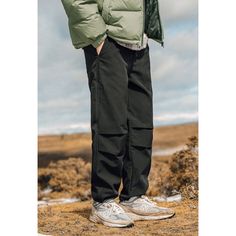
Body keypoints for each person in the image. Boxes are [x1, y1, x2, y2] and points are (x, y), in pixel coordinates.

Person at [61, 0, 175, 227]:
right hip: (108, 37)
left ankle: (133, 196)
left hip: (137, 39)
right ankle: (103, 201)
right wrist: (97, 36)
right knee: (110, 121)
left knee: (140, 122)